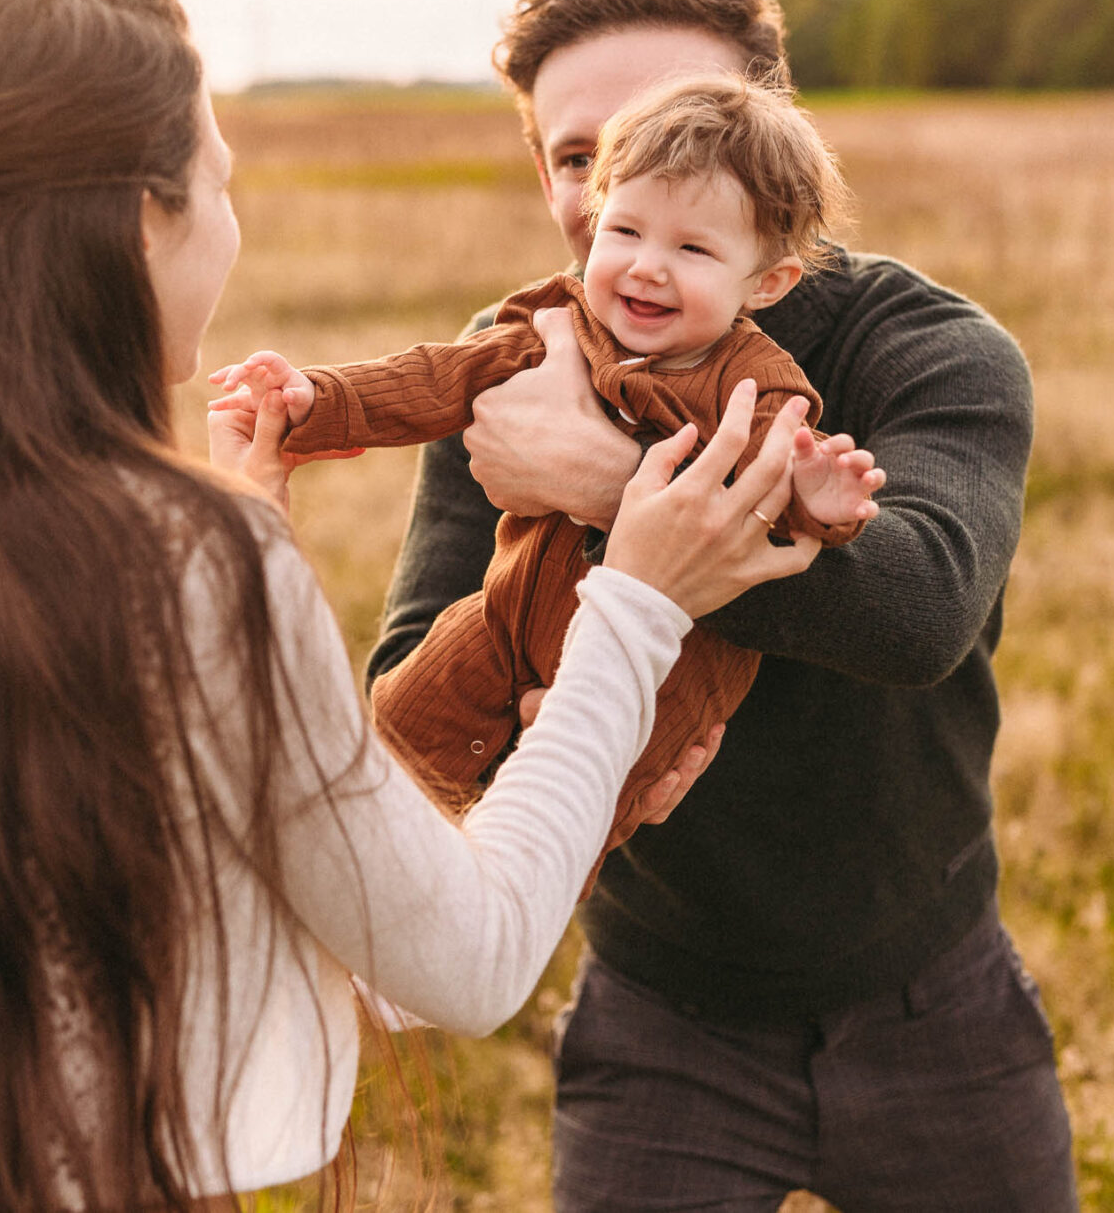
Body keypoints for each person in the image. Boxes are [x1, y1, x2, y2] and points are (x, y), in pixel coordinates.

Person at [0, 0, 825, 1213]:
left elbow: (84, 922)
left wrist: (239, 572)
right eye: (218, 182)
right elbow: (465, 959)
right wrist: (632, 602)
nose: (228, 222)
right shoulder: (188, 563)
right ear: (147, 212)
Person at [365, 0, 1078, 1211]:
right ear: (547, 177)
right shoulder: (520, 356)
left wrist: (606, 487)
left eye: (672, 120)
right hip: (659, 1012)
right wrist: (546, 720)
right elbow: (420, 677)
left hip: (932, 989)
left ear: (778, 150)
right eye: (581, 153)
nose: (624, 176)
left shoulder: (930, 349)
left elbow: (919, 610)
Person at [208, 74, 881, 885]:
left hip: (656, 668)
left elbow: (769, 516)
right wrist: (317, 400)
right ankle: (342, 883)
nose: (646, 268)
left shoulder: (759, 390)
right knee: (398, 723)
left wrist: (823, 501)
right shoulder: (554, 327)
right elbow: (437, 379)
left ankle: (502, 904)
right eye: (625, 231)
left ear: (767, 281)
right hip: (505, 616)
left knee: (594, 799)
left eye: (692, 249)